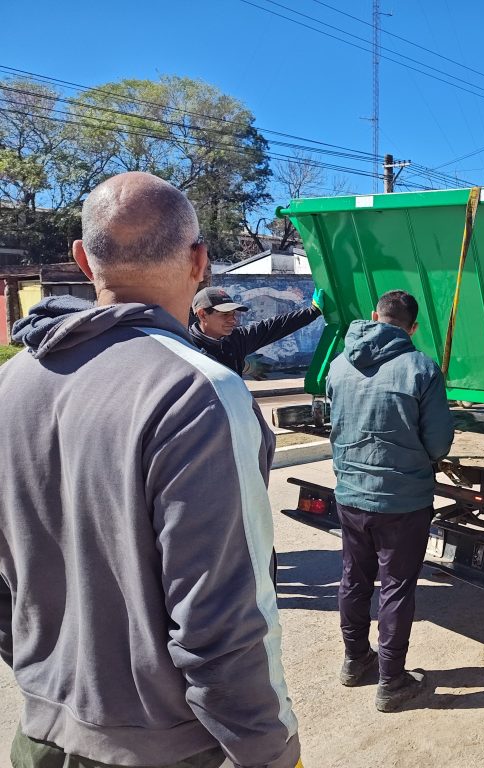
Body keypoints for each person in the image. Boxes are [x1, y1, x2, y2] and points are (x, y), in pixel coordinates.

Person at [0, 172, 300, 768]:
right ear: (200, 262)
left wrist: (48, 678)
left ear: (82, 259)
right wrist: (270, 751)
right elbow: (222, 617)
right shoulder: (199, 392)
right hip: (170, 749)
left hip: (42, 735)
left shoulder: (12, 383)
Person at [326, 290, 455, 713]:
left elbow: (334, 424)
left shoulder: (339, 364)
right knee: (396, 588)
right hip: (402, 502)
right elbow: (439, 444)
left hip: (351, 495)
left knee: (353, 578)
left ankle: (354, 661)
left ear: (374, 316)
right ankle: (391, 682)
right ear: (412, 327)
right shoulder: (421, 368)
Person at [189, 284, 323, 376]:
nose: (233, 320)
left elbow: (275, 326)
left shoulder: (236, 339)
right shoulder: (186, 347)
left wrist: (313, 311)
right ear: (202, 315)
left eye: (233, 314)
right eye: (225, 314)